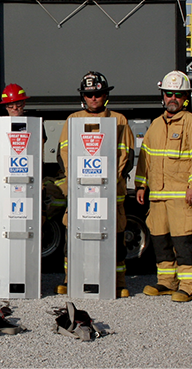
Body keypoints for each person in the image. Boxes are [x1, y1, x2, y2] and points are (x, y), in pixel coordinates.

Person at [55, 71, 135, 298]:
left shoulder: (119, 120)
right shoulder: (73, 120)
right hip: (81, 191)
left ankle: (118, 282)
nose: (93, 98)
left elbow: (126, 154)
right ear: (83, 96)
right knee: (75, 235)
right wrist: (79, 179)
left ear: (105, 95)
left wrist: (108, 180)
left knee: (115, 237)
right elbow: (64, 153)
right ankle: (71, 280)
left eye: (98, 94)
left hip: (111, 194)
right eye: (89, 94)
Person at [135, 71, 192, 302]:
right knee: (160, 239)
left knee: (184, 241)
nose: (173, 98)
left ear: (186, 97)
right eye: (169, 94)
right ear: (163, 96)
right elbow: (145, 157)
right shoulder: (156, 125)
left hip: (182, 196)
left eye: (178, 94)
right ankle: (166, 282)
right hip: (158, 196)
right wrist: (141, 184)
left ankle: (188, 286)